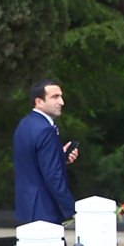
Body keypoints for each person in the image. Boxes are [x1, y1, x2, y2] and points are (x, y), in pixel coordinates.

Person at [13, 80, 78, 225]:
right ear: (39, 102)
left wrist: (61, 157)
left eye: (61, 96)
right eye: (55, 97)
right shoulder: (46, 130)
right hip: (44, 208)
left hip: (26, 206)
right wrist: (72, 209)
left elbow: (32, 163)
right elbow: (53, 175)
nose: (61, 102)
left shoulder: (25, 124)